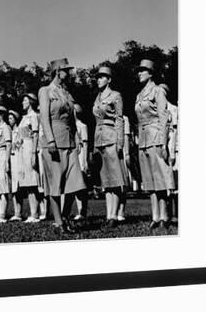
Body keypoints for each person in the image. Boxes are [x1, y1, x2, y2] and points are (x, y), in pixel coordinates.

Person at [38, 58, 87, 233]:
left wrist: (78, 138)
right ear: (58, 71)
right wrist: (50, 140)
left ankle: (65, 215)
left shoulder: (67, 93)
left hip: (70, 141)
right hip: (53, 142)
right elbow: (44, 117)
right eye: (66, 69)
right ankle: (59, 223)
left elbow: (73, 119)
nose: (69, 72)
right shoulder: (45, 91)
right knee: (55, 184)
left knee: (76, 183)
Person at [134, 59, 174, 230]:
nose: (139, 73)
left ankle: (164, 215)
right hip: (143, 139)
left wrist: (164, 142)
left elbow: (164, 117)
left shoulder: (157, 91)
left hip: (156, 136)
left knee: (160, 179)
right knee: (149, 180)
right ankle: (155, 215)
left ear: (151, 74)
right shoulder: (139, 94)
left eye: (143, 70)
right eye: (139, 70)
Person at [92, 66, 128, 228]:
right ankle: (109, 214)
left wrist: (120, 142)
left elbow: (119, 119)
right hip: (100, 139)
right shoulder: (97, 98)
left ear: (109, 79)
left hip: (111, 137)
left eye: (102, 77)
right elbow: (96, 121)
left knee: (114, 178)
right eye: (98, 77)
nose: (98, 79)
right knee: (105, 180)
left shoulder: (115, 96)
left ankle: (114, 215)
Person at [18, 93, 41, 223]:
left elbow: (36, 135)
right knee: (27, 182)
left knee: (32, 181)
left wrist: (33, 153)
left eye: (25, 100)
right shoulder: (24, 118)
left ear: (31, 102)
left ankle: (35, 213)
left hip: (30, 147)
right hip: (22, 149)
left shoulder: (33, 116)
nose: (23, 102)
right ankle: (33, 212)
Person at [160, 83, 179, 222]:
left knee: (175, 183)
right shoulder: (156, 111)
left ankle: (176, 214)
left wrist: (172, 152)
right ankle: (164, 215)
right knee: (164, 183)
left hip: (174, 150)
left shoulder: (173, 109)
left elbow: (175, 133)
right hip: (162, 150)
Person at [73, 103, 89, 221]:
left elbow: (86, 144)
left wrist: (85, 161)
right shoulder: (70, 126)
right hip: (73, 155)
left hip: (80, 156)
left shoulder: (82, 126)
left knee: (81, 185)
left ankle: (82, 211)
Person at [8, 110, 23, 221]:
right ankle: (15, 212)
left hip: (18, 159)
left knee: (19, 187)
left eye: (11, 118)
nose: (9, 121)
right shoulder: (10, 132)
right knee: (13, 187)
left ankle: (19, 212)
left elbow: (20, 144)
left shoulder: (19, 131)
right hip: (12, 160)